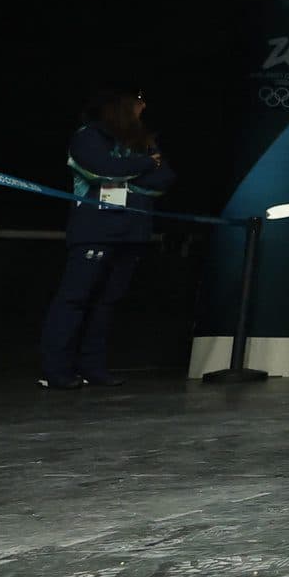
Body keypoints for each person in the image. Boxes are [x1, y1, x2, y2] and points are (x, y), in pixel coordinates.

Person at [39, 87, 175, 389]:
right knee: (75, 298)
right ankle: (56, 371)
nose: (143, 105)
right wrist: (144, 165)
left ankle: (93, 368)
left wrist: (133, 171)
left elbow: (163, 180)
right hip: (95, 230)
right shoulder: (88, 136)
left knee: (107, 302)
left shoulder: (144, 141)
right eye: (138, 99)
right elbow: (99, 169)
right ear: (121, 105)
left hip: (134, 232)